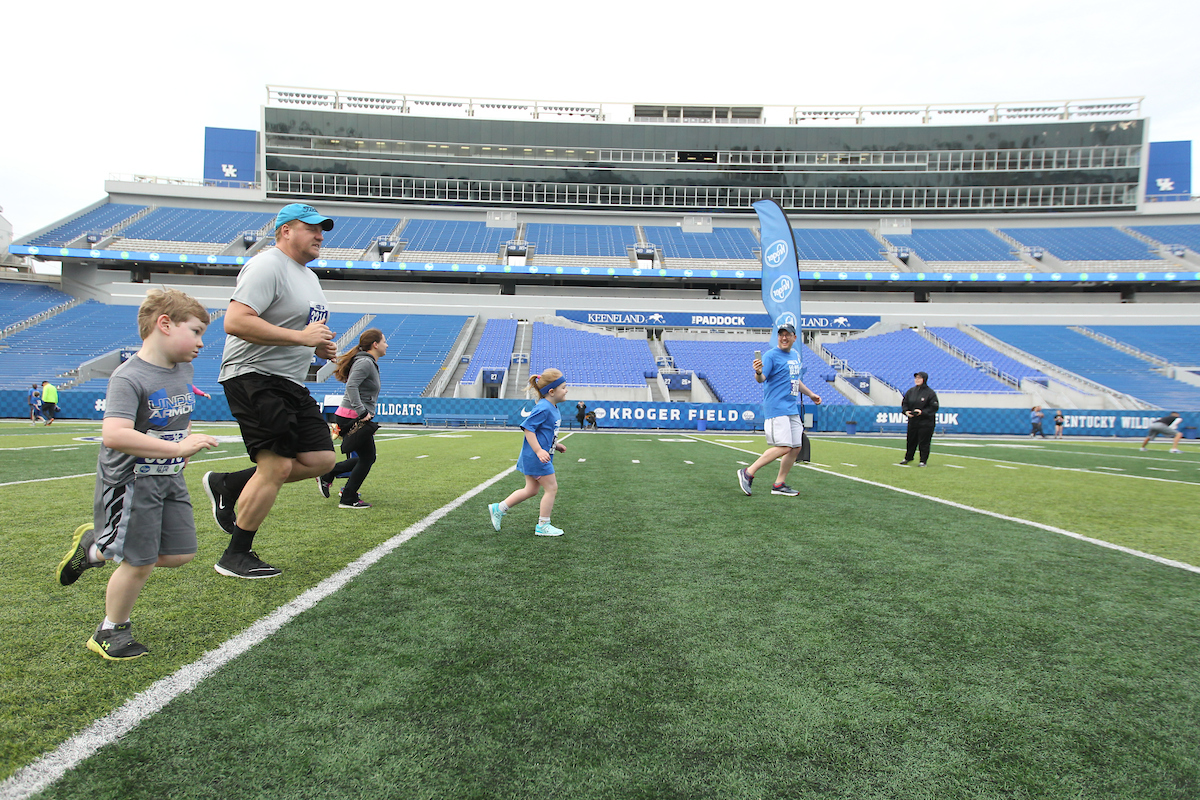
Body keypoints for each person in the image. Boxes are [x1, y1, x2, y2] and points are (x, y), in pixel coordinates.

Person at [54, 288, 219, 660]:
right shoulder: (128, 378)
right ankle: (110, 631)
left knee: (180, 553)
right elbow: (115, 434)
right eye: (195, 331)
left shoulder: (183, 369)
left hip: (169, 475)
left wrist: (181, 450)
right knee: (140, 560)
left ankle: (95, 549)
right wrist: (178, 448)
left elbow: (178, 416)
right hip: (132, 482)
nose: (200, 342)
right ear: (164, 324)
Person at [201, 203, 339, 579]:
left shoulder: (309, 277)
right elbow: (235, 321)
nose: (319, 235)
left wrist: (318, 346)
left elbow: (302, 330)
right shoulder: (267, 265)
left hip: (290, 381)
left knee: (323, 460)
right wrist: (301, 338)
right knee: (276, 465)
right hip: (254, 375)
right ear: (284, 231)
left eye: (321, 229)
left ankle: (228, 483)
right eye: (310, 228)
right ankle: (235, 555)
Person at [736, 324, 822, 497]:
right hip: (777, 407)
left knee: (796, 447)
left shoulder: (795, 355)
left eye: (787, 335)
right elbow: (761, 379)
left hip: (791, 407)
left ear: (794, 338)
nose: (784, 338)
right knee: (783, 446)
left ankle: (779, 484)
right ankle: (748, 472)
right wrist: (758, 371)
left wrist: (811, 394)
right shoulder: (771, 356)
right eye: (781, 335)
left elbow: (795, 381)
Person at [488, 369, 569, 536]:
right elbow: (528, 428)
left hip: (535, 457)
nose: (566, 390)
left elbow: (544, 433)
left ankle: (499, 508)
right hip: (536, 458)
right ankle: (543, 525)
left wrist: (556, 445)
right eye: (563, 387)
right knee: (551, 488)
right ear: (552, 391)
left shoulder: (552, 407)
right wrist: (539, 451)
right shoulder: (544, 407)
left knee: (531, 490)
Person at [317, 328, 386, 509]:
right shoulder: (365, 362)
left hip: (353, 416)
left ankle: (331, 475)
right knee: (367, 458)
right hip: (353, 417)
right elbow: (351, 387)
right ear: (375, 344)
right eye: (384, 341)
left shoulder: (367, 361)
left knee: (367, 457)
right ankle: (347, 498)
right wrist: (362, 412)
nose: (387, 345)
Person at [899, 371, 938, 466]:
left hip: (926, 422)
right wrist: (906, 411)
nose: (917, 380)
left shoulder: (930, 393)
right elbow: (905, 403)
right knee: (911, 440)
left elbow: (934, 407)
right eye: (916, 378)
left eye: (919, 378)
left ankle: (923, 460)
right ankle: (908, 457)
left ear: (924, 379)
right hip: (913, 421)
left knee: (924, 442)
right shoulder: (911, 391)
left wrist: (922, 412)